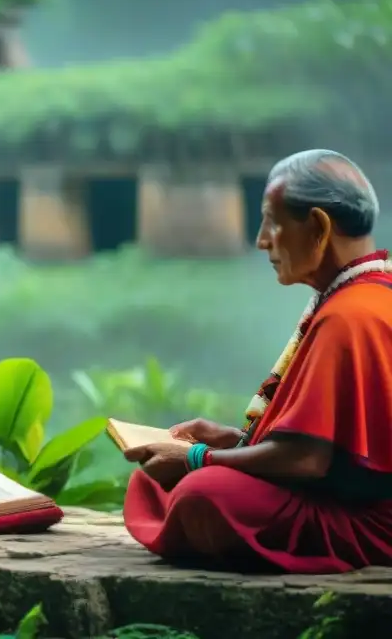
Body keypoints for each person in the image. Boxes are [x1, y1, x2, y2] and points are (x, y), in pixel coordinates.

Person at [122, 149, 392, 574]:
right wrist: (233, 441)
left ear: (319, 227)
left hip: (365, 520)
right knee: (156, 475)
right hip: (332, 489)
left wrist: (198, 459)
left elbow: (308, 461)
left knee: (202, 492)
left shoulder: (350, 314)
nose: (261, 239)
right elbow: (322, 449)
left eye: (272, 221)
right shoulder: (358, 294)